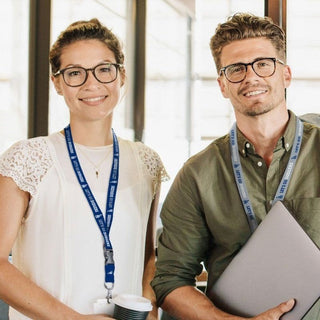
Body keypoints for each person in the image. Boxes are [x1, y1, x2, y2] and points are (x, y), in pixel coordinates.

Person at [151, 12, 320, 320]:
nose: (251, 77)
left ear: (286, 74)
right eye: (236, 69)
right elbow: (170, 280)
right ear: (222, 84)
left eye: (263, 64)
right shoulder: (196, 175)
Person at [0, 18, 168, 320]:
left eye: (104, 70)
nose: (92, 84)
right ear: (57, 82)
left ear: (121, 76)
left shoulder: (147, 161)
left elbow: (147, 258)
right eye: (75, 73)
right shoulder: (28, 157)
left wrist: (149, 308)